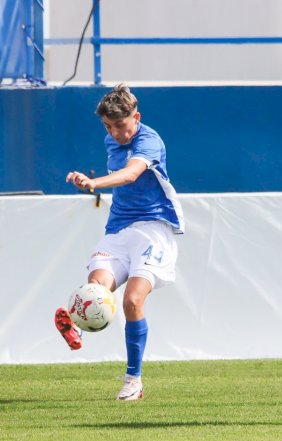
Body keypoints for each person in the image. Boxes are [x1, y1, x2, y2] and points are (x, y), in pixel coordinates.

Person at [54, 84, 184, 400]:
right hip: (118, 230)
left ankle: (133, 381)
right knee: (94, 291)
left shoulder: (149, 141)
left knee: (132, 301)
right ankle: (78, 325)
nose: (114, 133)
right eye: (108, 127)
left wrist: (94, 182)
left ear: (135, 117)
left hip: (153, 228)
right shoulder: (111, 140)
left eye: (120, 126)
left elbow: (130, 175)